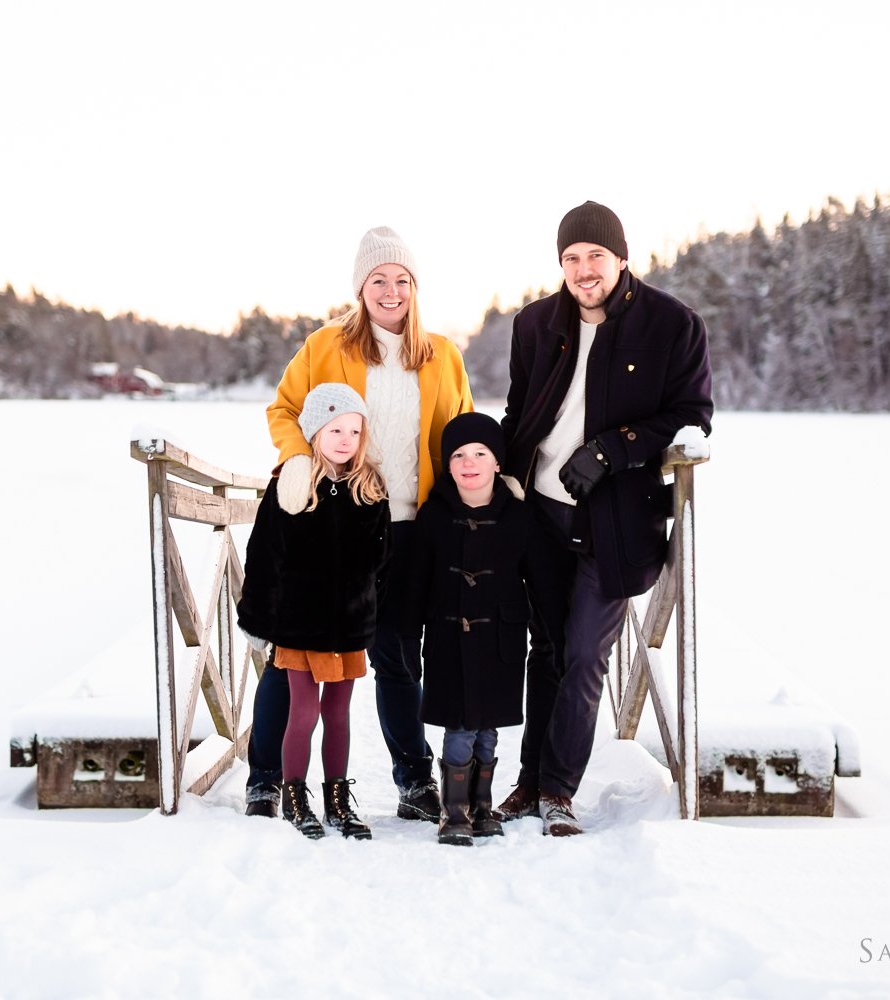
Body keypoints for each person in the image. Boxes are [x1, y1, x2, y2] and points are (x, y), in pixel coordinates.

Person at [244, 226, 474, 822]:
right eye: (378, 280)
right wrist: (297, 460)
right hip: (330, 524)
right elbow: (284, 408)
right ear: (360, 287)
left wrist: (488, 482)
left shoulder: (442, 355)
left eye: (401, 279)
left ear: (414, 287)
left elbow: (461, 431)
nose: (390, 290)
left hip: (407, 527)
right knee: (291, 655)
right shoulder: (326, 345)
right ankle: (266, 778)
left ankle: (414, 782)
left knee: (397, 655)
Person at [500, 201, 713, 836]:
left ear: (622, 257)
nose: (584, 269)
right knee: (548, 649)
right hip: (539, 509)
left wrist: (612, 450)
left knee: (587, 652)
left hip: (615, 519)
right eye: (571, 258)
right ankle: (529, 782)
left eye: (596, 255)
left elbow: (692, 419)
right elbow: (520, 412)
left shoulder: (673, 325)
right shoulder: (535, 324)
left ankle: (559, 792)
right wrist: (501, 480)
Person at [402, 411, 561, 846]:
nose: (468, 462)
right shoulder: (434, 516)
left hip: (500, 639)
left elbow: (542, 580)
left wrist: (555, 630)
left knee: (486, 727)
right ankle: (454, 813)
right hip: (447, 639)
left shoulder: (519, 518)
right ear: (447, 464)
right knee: (459, 727)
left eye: (480, 453)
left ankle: (482, 807)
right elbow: (416, 582)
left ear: (497, 462)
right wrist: (407, 632)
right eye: (457, 454)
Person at [237, 383, 388, 840]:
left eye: (354, 431)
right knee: (302, 710)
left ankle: (337, 800)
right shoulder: (293, 484)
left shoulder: (370, 487)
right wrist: (259, 620)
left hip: (348, 625)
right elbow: (264, 555)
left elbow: (382, 559)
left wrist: (368, 604)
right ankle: (294, 794)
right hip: (299, 624)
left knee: (338, 712)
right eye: (335, 429)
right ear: (314, 432)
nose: (345, 439)